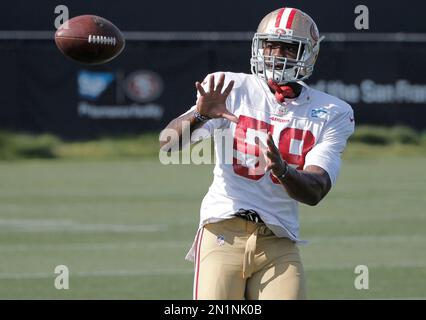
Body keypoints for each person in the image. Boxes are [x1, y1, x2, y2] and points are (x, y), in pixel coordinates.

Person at [160, 7, 355, 300]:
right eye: (270, 45)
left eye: (289, 47)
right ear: (257, 45)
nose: (276, 54)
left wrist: (282, 169)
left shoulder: (331, 112)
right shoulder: (230, 87)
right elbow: (168, 143)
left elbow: (315, 191)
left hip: (279, 240)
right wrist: (199, 116)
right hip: (223, 231)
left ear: (308, 53)